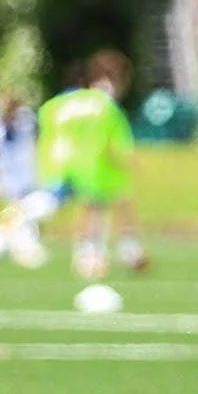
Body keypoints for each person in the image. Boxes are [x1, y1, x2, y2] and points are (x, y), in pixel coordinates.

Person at [31, 51, 149, 278]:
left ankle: (90, 255)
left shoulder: (72, 100)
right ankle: (123, 253)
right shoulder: (105, 105)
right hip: (98, 163)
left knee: (90, 209)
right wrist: (129, 163)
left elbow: (48, 121)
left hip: (68, 163)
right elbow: (116, 143)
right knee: (116, 203)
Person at [0, 91, 47, 268]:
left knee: (28, 214)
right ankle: (24, 250)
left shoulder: (26, 121)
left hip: (28, 175)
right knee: (18, 214)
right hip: (7, 179)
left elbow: (38, 138)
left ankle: (22, 246)